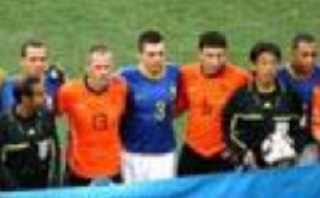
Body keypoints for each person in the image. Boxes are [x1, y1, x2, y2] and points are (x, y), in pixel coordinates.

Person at [223, 42, 308, 169]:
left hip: (284, 163)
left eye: (273, 63)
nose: (269, 68)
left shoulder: (291, 97)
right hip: (250, 165)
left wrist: (293, 149)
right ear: (253, 66)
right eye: (264, 63)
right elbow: (229, 130)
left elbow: (301, 128)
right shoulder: (240, 98)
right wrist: (243, 152)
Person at [177, 31, 250, 175]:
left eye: (220, 56)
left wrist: (239, 146)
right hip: (192, 149)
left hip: (223, 152)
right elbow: (178, 106)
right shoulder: (186, 74)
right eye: (209, 56)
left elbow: (250, 113)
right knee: (186, 188)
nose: (215, 62)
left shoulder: (241, 78)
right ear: (200, 54)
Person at [56, 44, 128, 186]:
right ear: (87, 68)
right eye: (98, 67)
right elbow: (54, 113)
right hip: (79, 170)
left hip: (113, 169)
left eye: (107, 67)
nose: (103, 72)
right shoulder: (69, 92)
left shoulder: (121, 88)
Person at [119, 30, 181, 183]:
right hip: (131, 154)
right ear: (140, 55)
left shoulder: (175, 73)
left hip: (164, 154)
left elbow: (183, 103)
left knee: (163, 195)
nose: (157, 59)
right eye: (151, 54)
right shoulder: (124, 77)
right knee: (132, 196)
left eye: (161, 54)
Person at [0, 76, 60, 190]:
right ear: (25, 99)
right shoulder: (1, 123)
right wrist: (16, 190)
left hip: (43, 189)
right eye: (40, 95)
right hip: (13, 191)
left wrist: (54, 182)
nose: (45, 98)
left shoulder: (46, 117)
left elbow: (55, 151)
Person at [278, 33, 320, 164]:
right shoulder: (278, 77)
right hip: (284, 137)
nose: (310, 60)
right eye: (305, 55)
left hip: (312, 138)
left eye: (314, 55)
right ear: (293, 54)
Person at [0, 39, 65, 114]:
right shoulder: (9, 88)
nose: (38, 64)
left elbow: (61, 111)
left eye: (42, 60)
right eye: (33, 60)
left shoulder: (53, 81)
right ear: (22, 62)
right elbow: (10, 116)